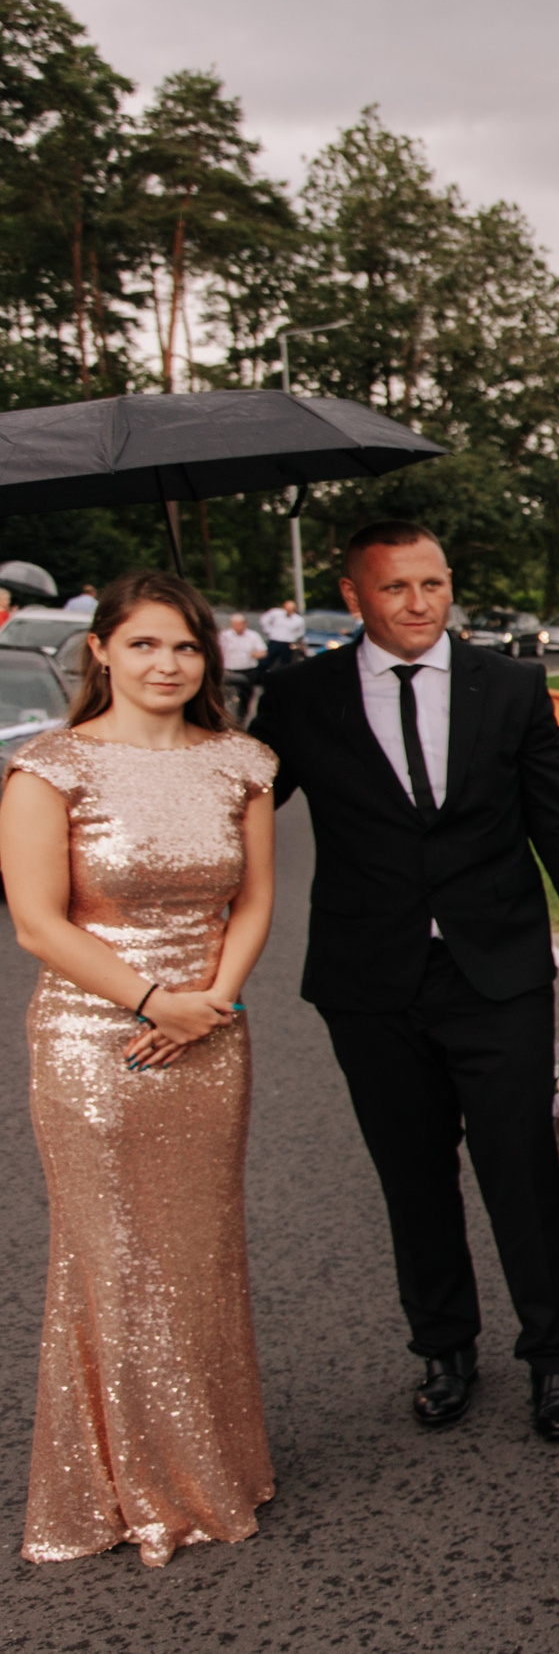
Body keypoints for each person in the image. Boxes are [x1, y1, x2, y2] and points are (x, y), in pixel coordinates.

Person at [250, 521, 559, 1442]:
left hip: (495, 969)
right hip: (367, 979)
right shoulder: (300, 700)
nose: (420, 604)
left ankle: (553, 1357)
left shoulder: (510, 687)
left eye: (434, 584)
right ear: (353, 598)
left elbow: (558, 820)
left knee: (520, 1168)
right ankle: (443, 1347)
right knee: (412, 1174)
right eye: (396, 589)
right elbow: (242, 802)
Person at [2, 571, 277, 1565]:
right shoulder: (48, 768)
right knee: (114, 1263)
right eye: (148, 645)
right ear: (102, 652)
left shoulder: (242, 762)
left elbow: (251, 904)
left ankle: (216, 1466)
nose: (168, 665)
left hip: (213, 1034)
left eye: (188, 647)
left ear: (209, 661)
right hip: (95, 1043)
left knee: (202, 1258)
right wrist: (155, 1002)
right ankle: (136, 1489)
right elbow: (38, 922)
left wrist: (215, 1005)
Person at [218, 612, 266, 720]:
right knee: (228, 697)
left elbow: (263, 651)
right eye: (235, 624)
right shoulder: (224, 636)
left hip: (248, 671)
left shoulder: (253, 636)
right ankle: (229, 719)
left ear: (245, 624)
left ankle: (242, 719)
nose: (238, 627)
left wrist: (254, 654)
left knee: (245, 697)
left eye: (240, 624)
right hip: (230, 671)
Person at [258, 597, 304, 672]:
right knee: (267, 660)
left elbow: (300, 631)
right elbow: (264, 620)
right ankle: (260, 677)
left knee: (286, 663)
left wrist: (293, 637)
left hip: (287, 643)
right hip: (275, 641)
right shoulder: (275, 613)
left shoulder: (297, 619)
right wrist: (269, 631)